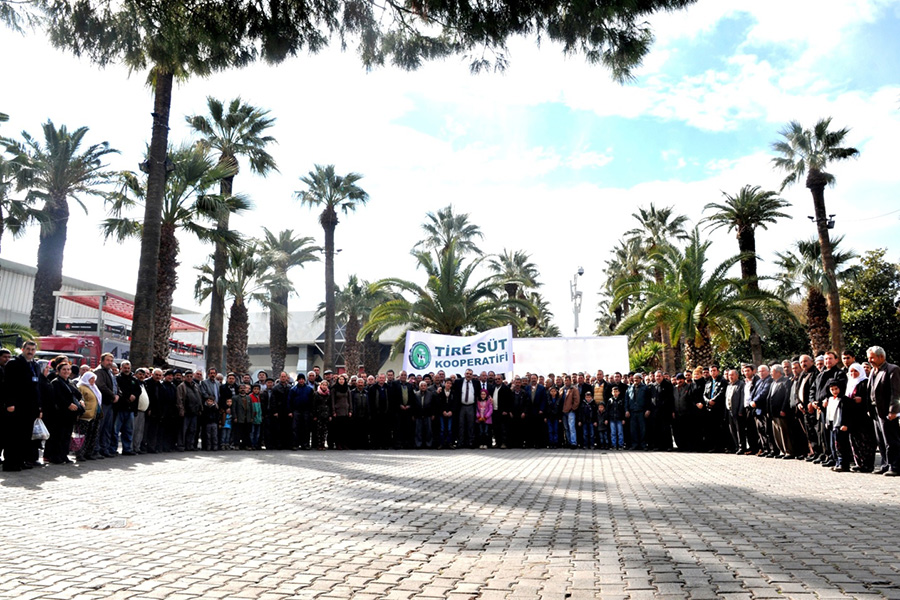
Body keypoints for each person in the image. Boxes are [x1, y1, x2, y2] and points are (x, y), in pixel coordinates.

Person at [2, 341, 42, 472]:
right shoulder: (13, 364)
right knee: (13, 436)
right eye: (28, 349)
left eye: (33, 349)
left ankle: (21, 461)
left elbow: (37, 388)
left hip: (31, 407)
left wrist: (39, 407)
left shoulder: (35, 365)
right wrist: (9, 403)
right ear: (22, 349)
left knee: (25, 436)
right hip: (17, 406)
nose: (30, 351)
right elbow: (7, 385)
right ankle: (10, 463)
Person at [866, 346, 900, 476]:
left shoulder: (892, 369)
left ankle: (895, 466)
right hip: (875, 410)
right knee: (880, 439)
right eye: (869, 358)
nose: (870, 360)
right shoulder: (873, 371)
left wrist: (893, 411)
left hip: (887, 411)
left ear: (881, 357)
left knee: (891, 440)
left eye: (872, 358)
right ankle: (885, 464)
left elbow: (896, 393)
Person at [44, 362, 84, 464]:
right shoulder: (56, 382)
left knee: (67, 435)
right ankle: (55, 456)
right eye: (64, 369)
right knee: (58, 436)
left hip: (70, 415)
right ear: (58, 371)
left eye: (68, 369)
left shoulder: (70, 382)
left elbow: (78, 394)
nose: (66, 371)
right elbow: (56, 397)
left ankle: (64, 455)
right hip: (59, 414)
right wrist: (67, 404)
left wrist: (81, 401)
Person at [843, 363, 875, 472]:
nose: (853, 373)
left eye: (855, 371)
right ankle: (859, 463)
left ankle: (867, 464)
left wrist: (862, 400)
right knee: (854, 441)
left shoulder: (865, 382)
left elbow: (870, 397)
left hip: (863, 417)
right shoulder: (850, 383)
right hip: (852, 417)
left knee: (865, 441)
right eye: (851, 371)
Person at [93, 353, 119, 458]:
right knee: (99, 428)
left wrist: (118, 395)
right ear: (102, 360)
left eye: (111, 361)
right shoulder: (99, 372)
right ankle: (96, 450)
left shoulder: (110, 372)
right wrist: (113, 395)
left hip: (110, 404)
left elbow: (115, 386)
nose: (110, 363)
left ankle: (105, 449)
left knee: (107, 429)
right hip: (103, 403)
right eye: (107, 360)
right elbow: (101, 386)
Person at [74, 370, 101, 461]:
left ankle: (89, 453)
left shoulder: (94, 387)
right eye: (91, 378)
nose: (93, 380)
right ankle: (80, 454)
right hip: (85, 416)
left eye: (94, 378)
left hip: (94, 415)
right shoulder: (81, 387)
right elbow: (79, 400)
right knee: (82, 436)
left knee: (92, 435)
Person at [288, 373, 313, 450]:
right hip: (296, 410)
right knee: (295, 428)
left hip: (306, 411)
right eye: (300, 379)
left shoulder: (309, 389)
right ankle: (295, 444)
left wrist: (311, 411)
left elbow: (312, 401)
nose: (301, 381)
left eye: (302, 379)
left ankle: (305, 444)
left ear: (304, 380)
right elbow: (289, 401)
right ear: (297, 380)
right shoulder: (293, 389)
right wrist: (290, 411)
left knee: (306, 428)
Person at [454, 369, 478, 449]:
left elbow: (478, 394)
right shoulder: (458, 382)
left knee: (471, 425)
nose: (468, 375)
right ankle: (460, 442)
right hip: (461, 406)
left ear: (472, 375)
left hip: (471, 406)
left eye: (470, 374)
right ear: (464, 374)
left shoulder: (476, 383)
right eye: (467, 373)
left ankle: (471, 442)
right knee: (461, 425)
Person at [330, 374, 352, 450]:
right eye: (340, 379)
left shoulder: (347, 388)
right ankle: (338, 444)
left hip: (346, 411)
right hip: (338, 411)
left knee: (345, 429)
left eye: (343, 379)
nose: (341, 381)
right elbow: (332, 400)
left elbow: (350, 400)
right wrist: (333, 411)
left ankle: (344, 444)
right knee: (338, 429)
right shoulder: (334, 389)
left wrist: (350, 410)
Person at [413, 380, 434, 449]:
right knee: (418, 431)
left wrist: (433, 414)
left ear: (427, 387)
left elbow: (433, 405)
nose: (423, 387)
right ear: (419, 387)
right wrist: (414, 415)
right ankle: (418, 444)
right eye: (421, 386)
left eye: (424, 386)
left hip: (428, 415)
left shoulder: (430, 394)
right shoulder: (416, 394)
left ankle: (429, 444)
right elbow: (414, 405)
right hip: (418, 415)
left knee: (429, 431)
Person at [312, 380, 331, 450]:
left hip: (326, 414)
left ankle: (323, 444)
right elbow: (314, 405)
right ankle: (318, 444)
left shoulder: (328, 394)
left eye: (326, 385)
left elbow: (330, 405)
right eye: (323, 385)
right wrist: (314, 415)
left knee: (324, 430)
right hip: (318, 414)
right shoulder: (316, 394)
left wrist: (330, 415)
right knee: (318, 430)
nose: (324, 386)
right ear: (320, 385)